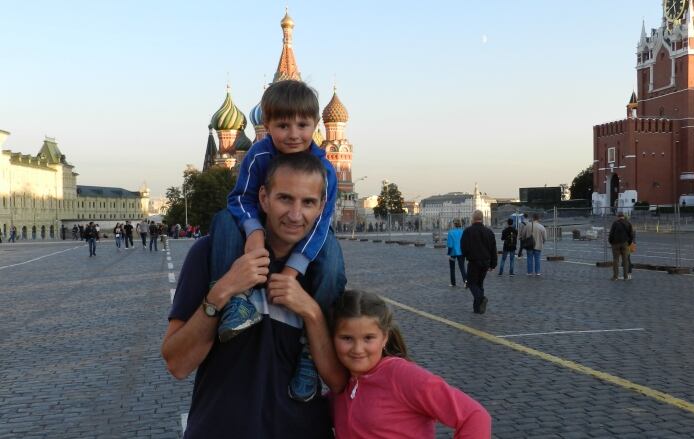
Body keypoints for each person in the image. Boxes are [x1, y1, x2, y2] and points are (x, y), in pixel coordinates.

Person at [161, 153, 347, 438]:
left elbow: (336, 380)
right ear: (263, 198)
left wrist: (310, 310)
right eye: (285, 198)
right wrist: (223, 289)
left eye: (308, 202)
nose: (296, 215)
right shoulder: (213, 253)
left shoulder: (325, 272)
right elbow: (177, 364)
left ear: (322, 206)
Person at [224, 79, 344, 401]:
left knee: (333, 266)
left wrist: (293, 270)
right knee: (222, 223)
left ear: (317, 125)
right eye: (283, 125)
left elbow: (320, 223)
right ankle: (235, 301)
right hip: (260, 224)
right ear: (267, 125)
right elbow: (240, 198)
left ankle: (309, 348)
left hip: (310, 235)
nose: (293, 134)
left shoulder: (324, 169)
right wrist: (254, 232)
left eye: (303, 125)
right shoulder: (259, 154)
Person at [329, 290, 491, 438]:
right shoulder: (341, 384)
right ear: (332, 339)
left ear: (385, 337)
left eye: (368, 338)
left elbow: (475, 416)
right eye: (347, 338)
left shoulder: (402, 376)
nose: (358, 349)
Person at [460, 210, 497, 314]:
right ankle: (478, 309)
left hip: (474, 261)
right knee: (480, 284)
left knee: (471, 283)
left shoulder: (468, 231)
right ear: (482, 218)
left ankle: (481, 298)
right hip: (486, 262)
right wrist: (493, 264)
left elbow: (464, 247)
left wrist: (465, 256)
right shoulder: (489, 232)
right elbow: (493, 249)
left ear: (473, 218)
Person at [608, 212, 635, 280]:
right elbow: (631, 235)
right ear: (623, 216)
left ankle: (615, 277)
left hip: (615, 244)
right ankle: (625, 277)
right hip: (625, 243)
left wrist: (610, 242)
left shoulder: (615, 223)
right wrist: (628, 243)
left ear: (618, 216)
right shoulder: (628, 223)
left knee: (616, 260)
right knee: (625, 260)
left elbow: (611, 234)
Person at [446, 219, 467, 288]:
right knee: (462, 267)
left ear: (453, 224)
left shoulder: (451, 232)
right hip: (461, 252)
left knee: (452, 268)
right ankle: (466, 282)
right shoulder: (463, 231)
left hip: (453, 252)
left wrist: (449, 253)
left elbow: (450, 245)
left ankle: (453, 283)